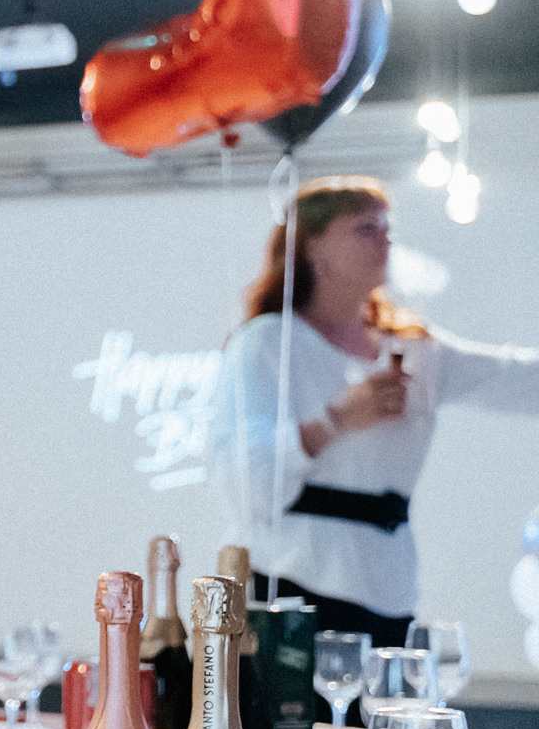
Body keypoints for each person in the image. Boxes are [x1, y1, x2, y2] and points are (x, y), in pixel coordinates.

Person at [209, 176, 539, 644]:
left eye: (388, 229)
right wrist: (338, 419)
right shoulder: (266, 344)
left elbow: (517, 380)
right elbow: (241, 479)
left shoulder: (416, 351)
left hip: (390, 590)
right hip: (291, 584)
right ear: (313, 249)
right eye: (367, 228)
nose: (386, 242)